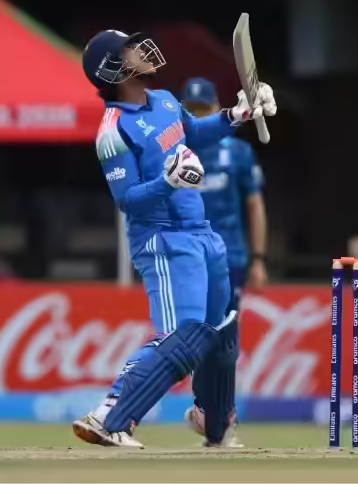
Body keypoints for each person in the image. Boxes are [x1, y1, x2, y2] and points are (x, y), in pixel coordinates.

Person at [73, 30, 277, 449]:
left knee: (220, 331)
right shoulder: (113, 130)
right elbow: (128, 199)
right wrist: (167, 182)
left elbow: (193, 133)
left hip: (202, 231)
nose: (141, 50)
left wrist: (236, 115)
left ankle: (212, 418)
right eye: (130, 48)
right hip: (163, 240)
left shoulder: (165, 100)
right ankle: (110, 414)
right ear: (113, 68)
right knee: (183, 336)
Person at [178, 77, 268, 448]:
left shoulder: (239, 153)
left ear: (216, 109)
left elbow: (255, 205)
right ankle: (209, 408)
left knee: (223, 335)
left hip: (230, 257)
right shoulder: (178, 150)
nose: (200, 116)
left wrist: (259, 257)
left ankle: (219, 414)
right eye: (192, 111)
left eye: (204, 110)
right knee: (199, 333)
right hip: (189, 255)